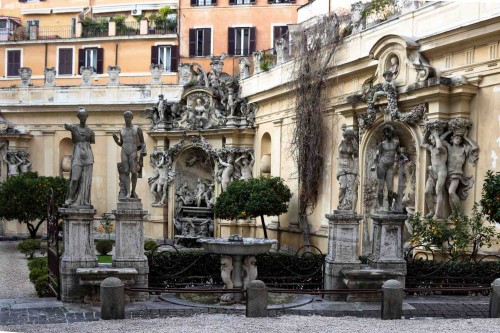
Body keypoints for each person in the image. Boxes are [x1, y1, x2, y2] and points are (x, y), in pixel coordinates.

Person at [441, 128, 478, 214]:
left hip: (457, 174)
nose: (458, 140)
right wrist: (449, 131)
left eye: (460, 139)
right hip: (447, 174)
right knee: (450, 195)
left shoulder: (463, 149)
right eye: (456, 138)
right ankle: (454, 214)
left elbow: (475, 147)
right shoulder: (449, 148)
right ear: (452, 139)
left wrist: (466, 137)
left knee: (451, 192)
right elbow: (440, 140)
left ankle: (458, 213)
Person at [64, 107, 95, 207]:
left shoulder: (90, 132)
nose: (83, 118)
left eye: (84, 116)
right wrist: (69, 126)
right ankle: (70, 198)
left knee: (86, 180)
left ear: (87, 116)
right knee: (75, 178)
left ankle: (85, 200)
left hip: (88, 155)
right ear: (78, 117)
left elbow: (92, 141)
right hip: (77, 153)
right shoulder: (74, 129)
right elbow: (66, 126)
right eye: (81, 116)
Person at [112, 111, 146, 200]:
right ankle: (127, 192)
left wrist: (142, 154)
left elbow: (142, 142)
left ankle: (133, 191)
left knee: (134, 172)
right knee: (126, 171)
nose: (127, 119)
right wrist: (116, 140)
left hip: (133, 151)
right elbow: (121, 143)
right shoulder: (122, 130)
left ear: (132, 118)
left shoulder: (137, 128)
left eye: (129, 117)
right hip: (124, 151)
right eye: (125, 117)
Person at [372, 124, 404, 211]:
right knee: (381, 187)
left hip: (390, 166)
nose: (386, 134)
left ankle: (390, 206)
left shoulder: (396, 143)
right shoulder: (382, 144)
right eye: (385, 132)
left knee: (390, 189)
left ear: (392, 133)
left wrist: (403, 157)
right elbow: (377, 156)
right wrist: (374, 165)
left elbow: (399, 153)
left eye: (388, 132)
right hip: (381, 166)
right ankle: (381, 206)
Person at [421, 130, 447, 219]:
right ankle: (431, 211)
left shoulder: (443, 149)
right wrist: (427, 132)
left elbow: (439, 146)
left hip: (441, 172)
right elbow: (422, 144)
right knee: (426, 191)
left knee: (438, 191)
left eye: (432, 139)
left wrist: (436, 136)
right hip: (432, 173)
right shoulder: (431, 148)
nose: (431, 141)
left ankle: (438, 214)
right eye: (431, 139)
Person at [337, 128, 359, 211]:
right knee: (343, 186)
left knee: (350, 187)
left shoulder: (353, 144)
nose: (350, 137)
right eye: (348, 135)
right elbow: (340, 153)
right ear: (345, 135)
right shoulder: (341, 143)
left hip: (350, 165)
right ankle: (341, 203)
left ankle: (348, 205)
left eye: (351, 136)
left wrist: (355, 168)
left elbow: (356, 156)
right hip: (342, 166)